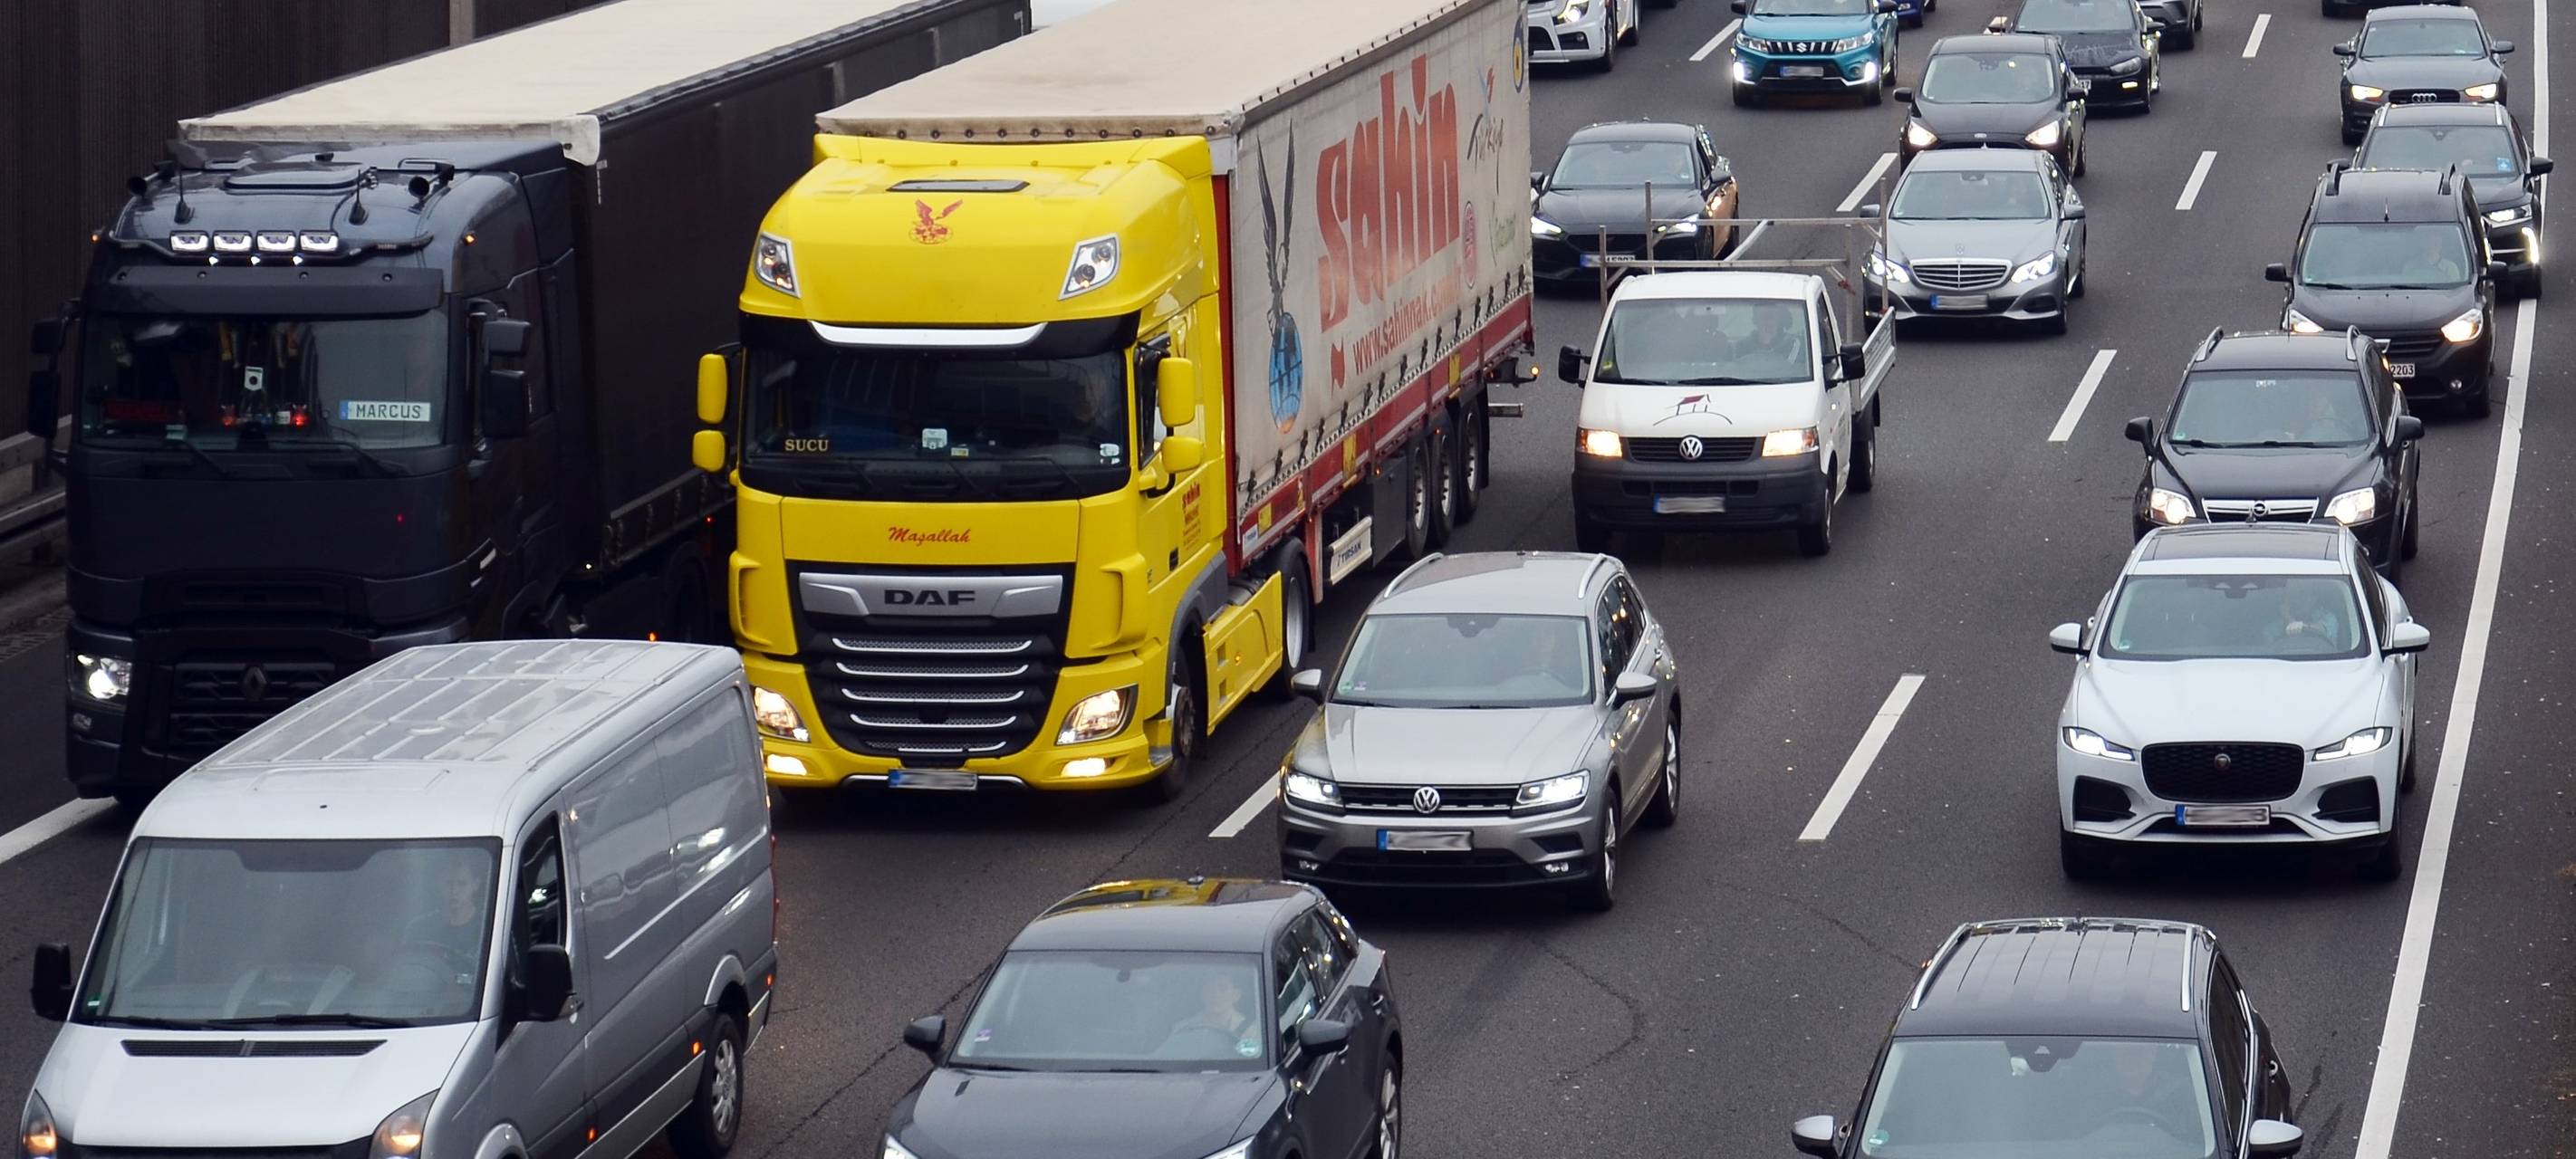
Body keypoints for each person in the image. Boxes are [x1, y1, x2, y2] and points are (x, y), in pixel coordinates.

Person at [1160, 972, 1254, 1055]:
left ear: (1236, 995)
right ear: (1202, 993)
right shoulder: (1182, 1029)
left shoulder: (1251, 1031)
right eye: (1210, 988)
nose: (1216, 995)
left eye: (1223, 989)